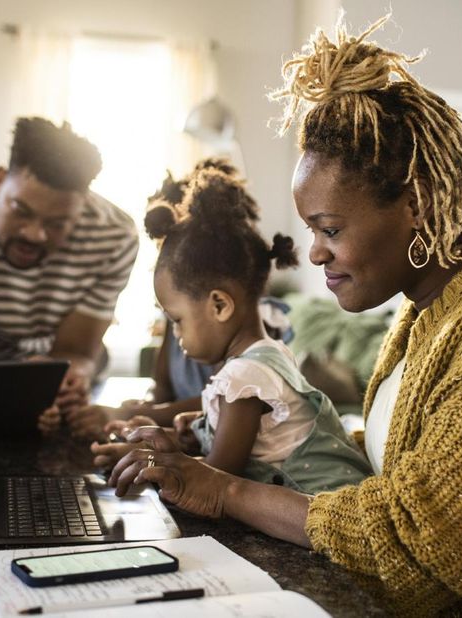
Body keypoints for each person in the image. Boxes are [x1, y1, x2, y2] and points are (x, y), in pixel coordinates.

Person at [106, 16, 462, 616]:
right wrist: (259, 441)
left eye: (330, 229)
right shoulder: (426, 311)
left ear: (416, 203)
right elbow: (402, 463)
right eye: (312, 230)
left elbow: (450, 538)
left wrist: (225, 490)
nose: (314, 253)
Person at [97, 168, 370, 494]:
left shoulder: (244, 377)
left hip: (324, 515)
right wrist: (191, 430)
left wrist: (149, 461)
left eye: (177, 320)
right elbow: (261, 442)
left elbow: (215, 479)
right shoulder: (266, 356)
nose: (175, 334)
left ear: (219, 306)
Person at [0, 118, 139, 434]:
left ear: (82, 206)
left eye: (57, 224)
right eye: (21, 211)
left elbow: (78, 350)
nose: (35, 235)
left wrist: (65, 376)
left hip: (49, 360)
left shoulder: (114, 235)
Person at [82, 160, 294, 438]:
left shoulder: (255, 334)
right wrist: (144, 414)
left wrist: (134, 416)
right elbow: (163, 390)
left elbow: (229, 402)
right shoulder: (181, 317)